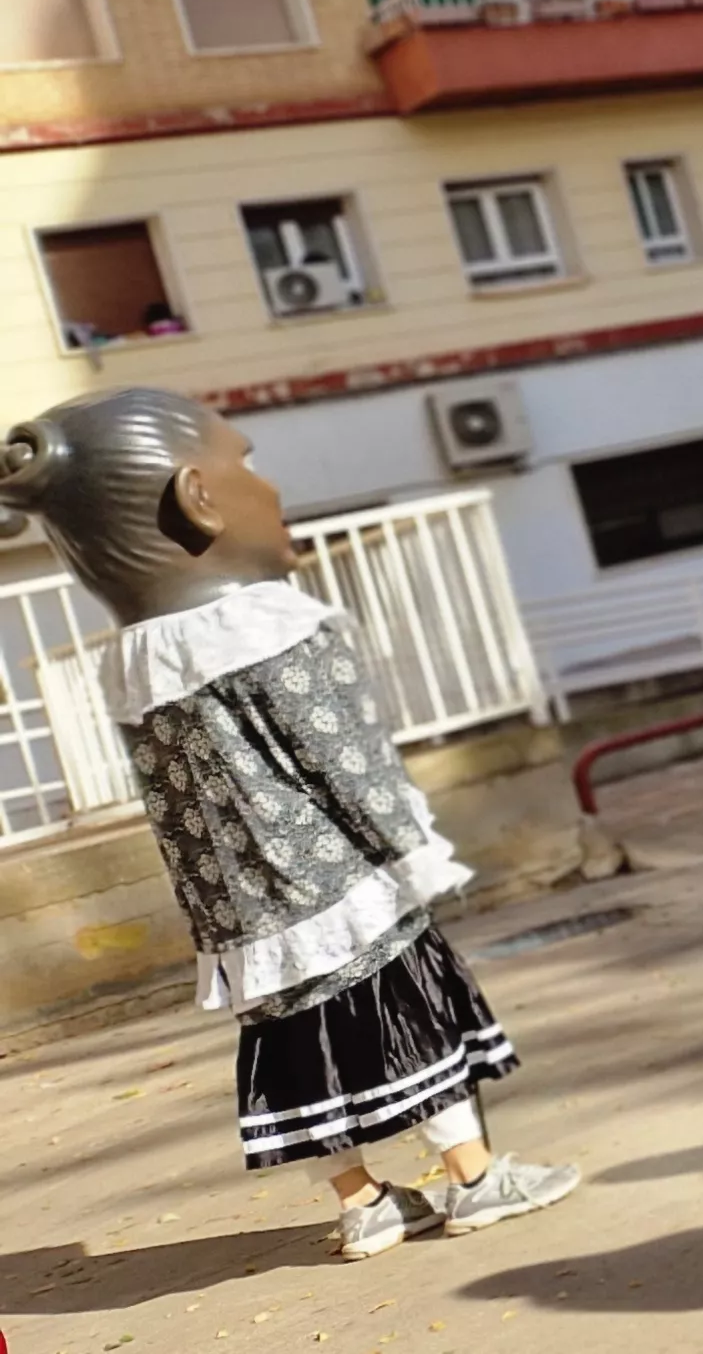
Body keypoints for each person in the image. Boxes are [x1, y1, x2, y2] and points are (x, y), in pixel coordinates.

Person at [0, 391, 577, 1262]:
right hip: (340, 884)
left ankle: (367, 1203)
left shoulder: (136, 663)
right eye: (249, 461)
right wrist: (407, 846)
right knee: (406, 1019)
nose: (269, 487)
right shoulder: (269, 628)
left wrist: (213, 913)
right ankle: (473, 1176)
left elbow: (173, 804)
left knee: (300, 1051)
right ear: (199, 499)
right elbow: (344, 758)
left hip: (243, 916)